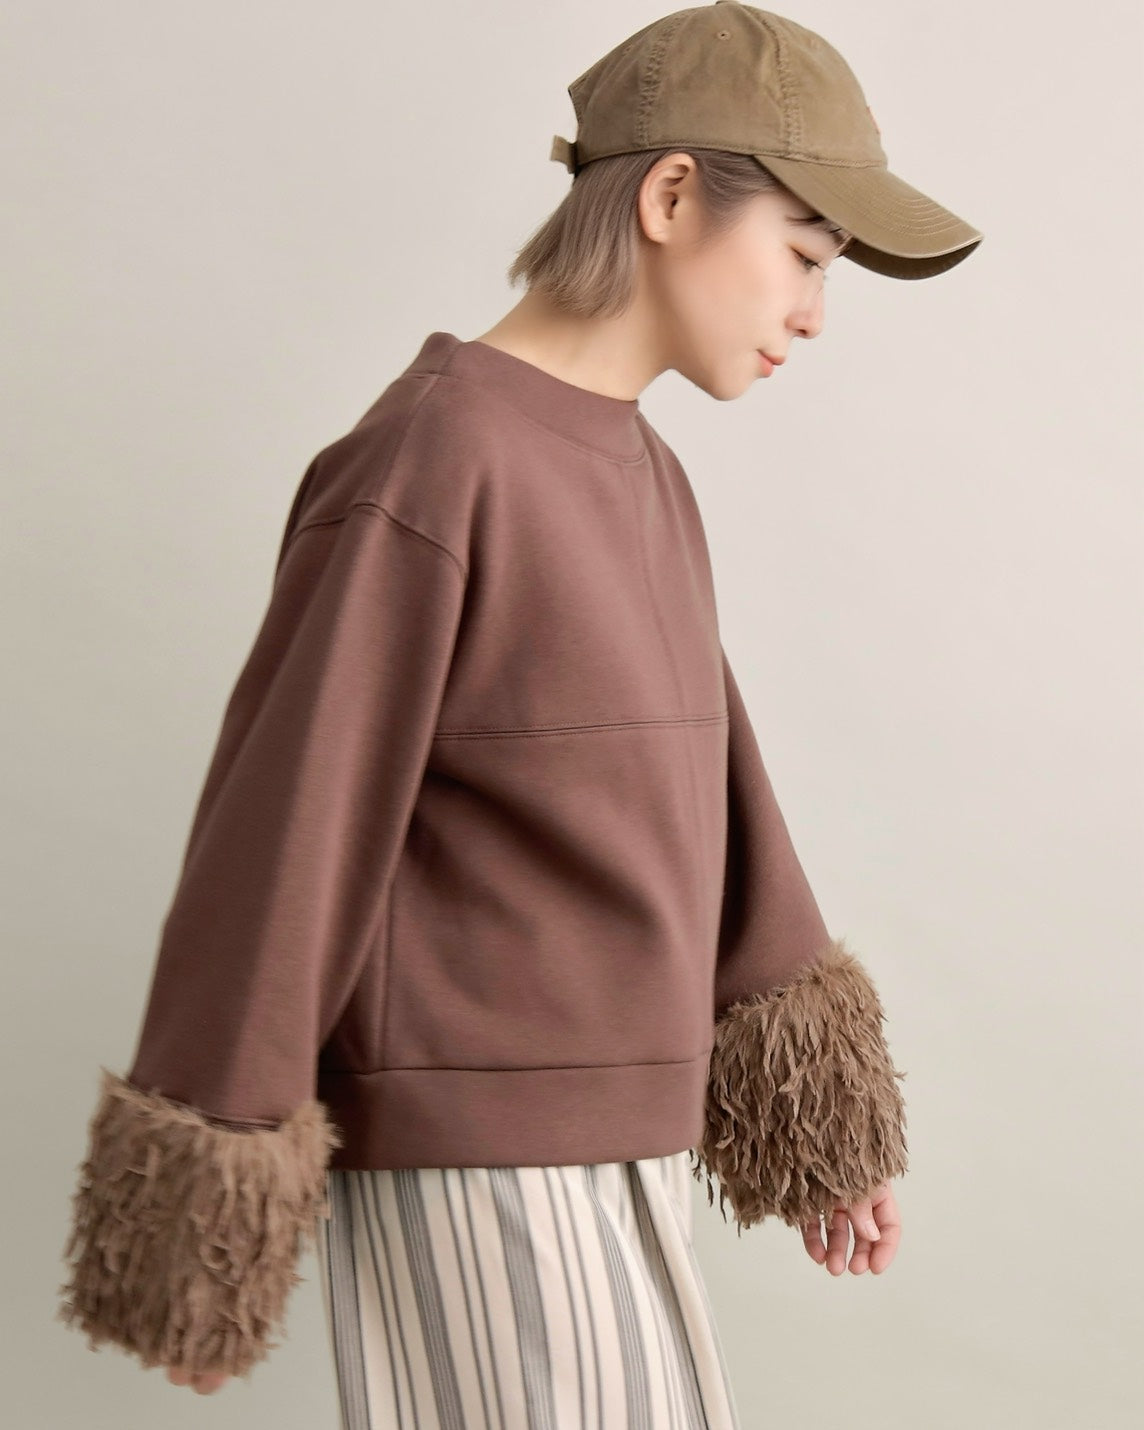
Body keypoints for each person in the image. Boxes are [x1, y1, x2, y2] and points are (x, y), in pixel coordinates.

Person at [56, 4, 981, 1424]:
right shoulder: (433, 461)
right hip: (478, 1156)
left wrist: (823, 1121)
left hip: (622, 1144)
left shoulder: (639, 470)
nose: (814, 309)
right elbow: (288, 832)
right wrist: (208, 1210)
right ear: (672, 195)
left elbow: (716, 794)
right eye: (805, 253)